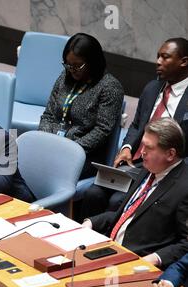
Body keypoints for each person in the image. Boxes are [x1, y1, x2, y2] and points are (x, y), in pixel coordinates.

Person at [81, 38, 188, 220]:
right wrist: (126, 148)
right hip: (134, 163)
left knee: (117, 201)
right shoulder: (152, 88)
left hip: (162, 166)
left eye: (165, 57)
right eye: (157, 56)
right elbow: (137, 125)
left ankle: (114, 241)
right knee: (93, 194)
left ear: (184, 62)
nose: (158, 62)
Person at [82, 118, 188, 269]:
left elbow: (185, 243)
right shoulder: (148, 169)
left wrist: (153, 259)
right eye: (142, 145)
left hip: (138, 265)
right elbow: (126, 215)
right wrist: (91, 223)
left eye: (149, 147)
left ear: (170, 154)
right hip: (109, 251)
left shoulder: (184, 188)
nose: (142, 152)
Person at [38, 33, 124, 179]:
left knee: (47, 172)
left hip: (84, 154)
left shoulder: (110, 87)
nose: (72, 70)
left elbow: (102, 130)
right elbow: (49, 115)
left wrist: (69, 149)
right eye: (68, 64)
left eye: (77, 66)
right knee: (20, 162)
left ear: (92, 61)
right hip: (52, 145)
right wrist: (45, 141)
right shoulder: (64, 76)